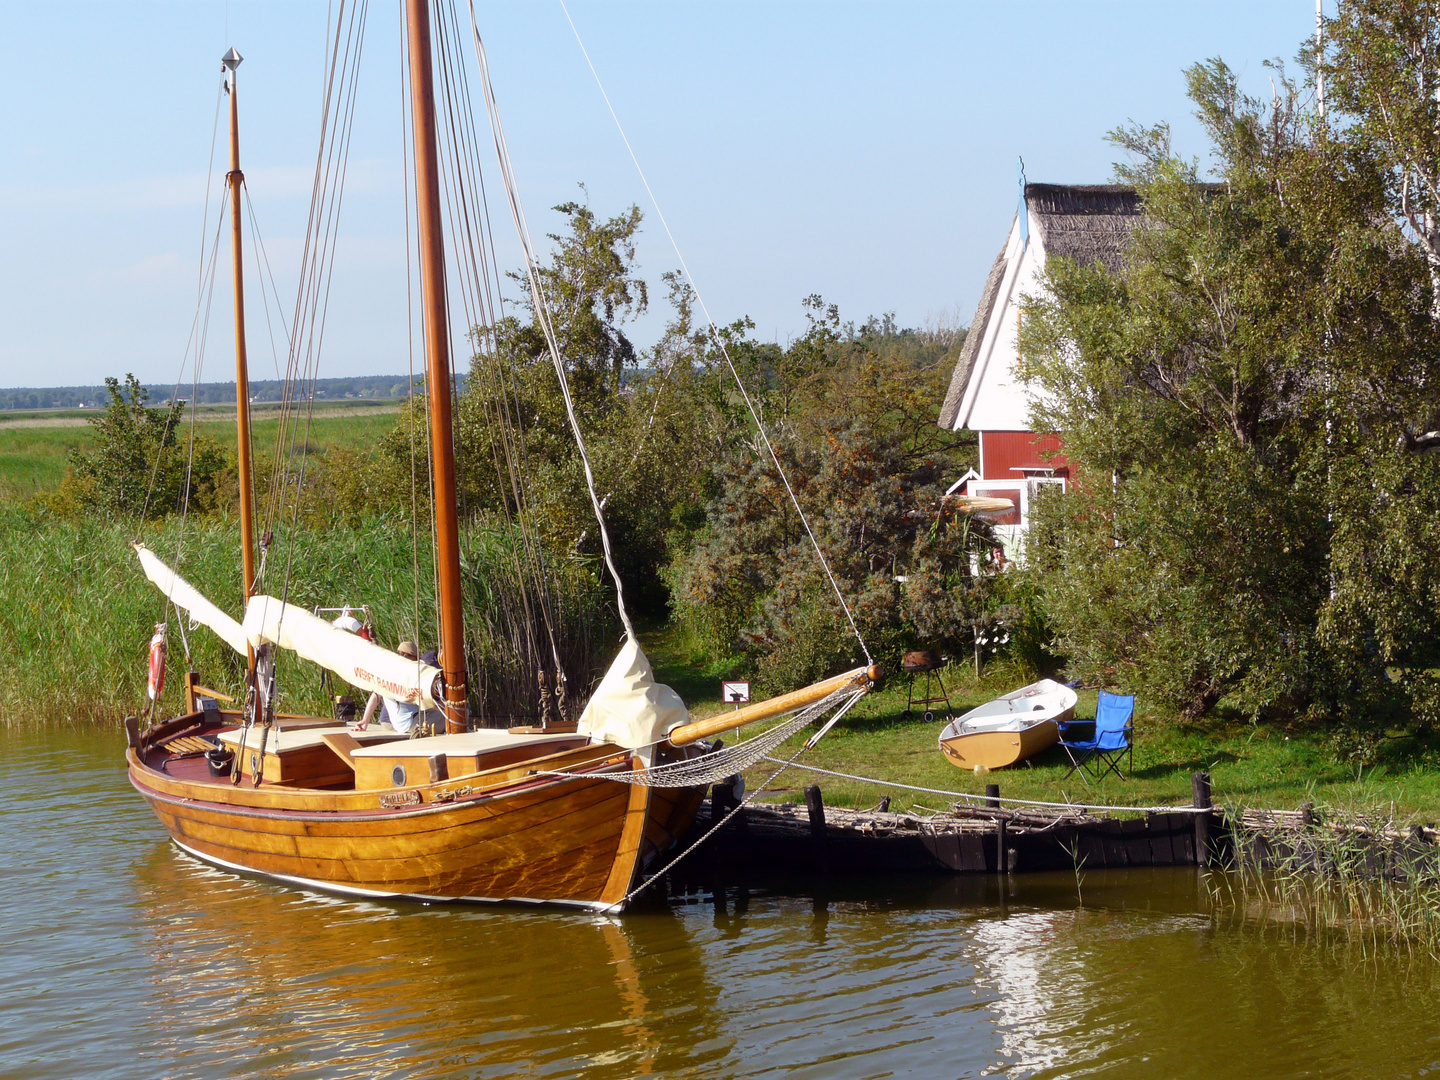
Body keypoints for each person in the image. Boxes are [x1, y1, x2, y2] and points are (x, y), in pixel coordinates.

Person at [356, 640, 422, 734]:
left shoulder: (387, 674)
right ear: (406, 656)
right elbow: (376, 696)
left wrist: (365, 720)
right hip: (407, 723)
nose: (416, 663)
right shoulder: (405, 675)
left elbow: (376, 696)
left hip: (392, 723)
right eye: (415, 659)